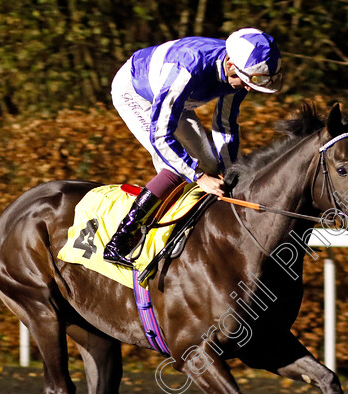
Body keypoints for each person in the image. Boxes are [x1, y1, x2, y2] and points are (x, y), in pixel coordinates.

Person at [103, 28, 282, 268]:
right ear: (230, 64)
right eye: (247, 82)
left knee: (210, 165)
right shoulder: (187, 69)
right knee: (179, 164)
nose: (249, 89)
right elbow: (160, 136)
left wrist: (231, 174)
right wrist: (198, 177)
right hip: (137, 93)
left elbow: (225, 125)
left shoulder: (241, 72)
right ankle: (121, 239)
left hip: (177, 98)